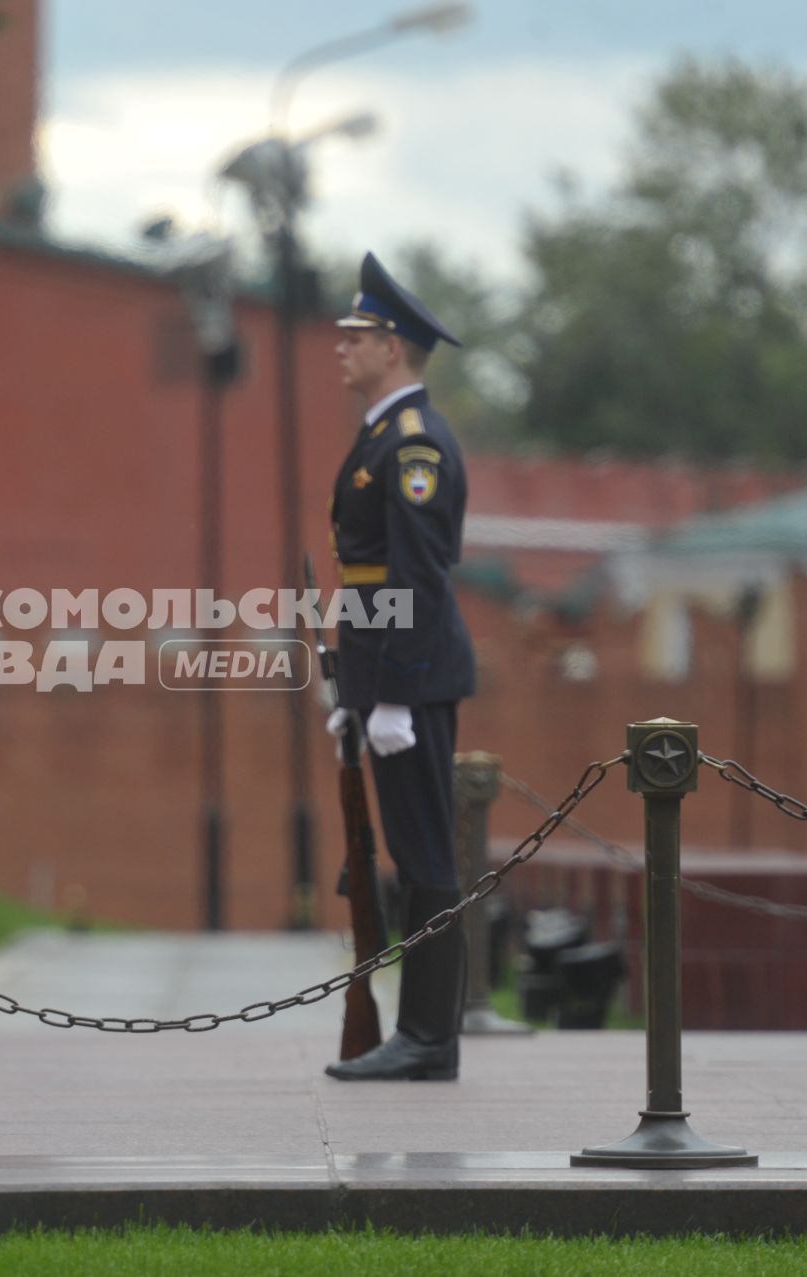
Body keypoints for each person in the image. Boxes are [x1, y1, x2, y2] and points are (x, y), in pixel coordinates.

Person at [321, 252, 476, 1082]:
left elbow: (415, 577)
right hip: (387, 678)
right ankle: (421, 1035)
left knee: (426, 861)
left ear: (395, 346)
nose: (341, 347)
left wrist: (395, 697)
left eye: (357, 335)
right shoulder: (382, 433)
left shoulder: (413, 445)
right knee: (414, 856)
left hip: (413, 683)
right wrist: (355, 691)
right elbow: (364, 580)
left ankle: (426, 1038)